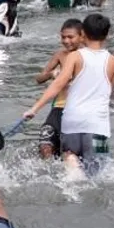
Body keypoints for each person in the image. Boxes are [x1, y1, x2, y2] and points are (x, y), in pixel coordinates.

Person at [24, 13, 114, 177]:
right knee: (99, 170)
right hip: (98, 125)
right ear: (107, 35)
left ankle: (72, 176)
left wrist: (34, 108)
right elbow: (109, 95)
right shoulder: (113, 61)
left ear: (83, 34)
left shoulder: (75, 57)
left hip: (71, 122)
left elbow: (58, 84)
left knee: (69, 155)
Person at [34, 19, 84, 160]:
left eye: (71, 37)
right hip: (59, 107)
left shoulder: (87, 56)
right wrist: (51, 74)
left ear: (82, 36)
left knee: (71, 152)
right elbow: (38, 78)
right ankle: (48, 174)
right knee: (45, 144)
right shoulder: (60, 55)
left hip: (78, 110)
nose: (66, 41)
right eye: (63, 37)